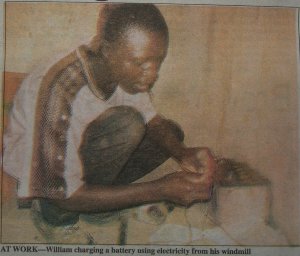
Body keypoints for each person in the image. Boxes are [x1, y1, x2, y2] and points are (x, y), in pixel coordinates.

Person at [4, 3, 216, 230]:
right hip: (43, 177)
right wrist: (159, 189)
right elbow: (58, 192)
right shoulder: (60, 87)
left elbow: (151, 120)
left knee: (170, 133)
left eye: (158, 61)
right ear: (108, 50)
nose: (153, 74)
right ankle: (55, 216)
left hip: (80, 156)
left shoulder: (122, 68)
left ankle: (100, 200)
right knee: (128, 125)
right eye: (141, 62)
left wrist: (183, 154)